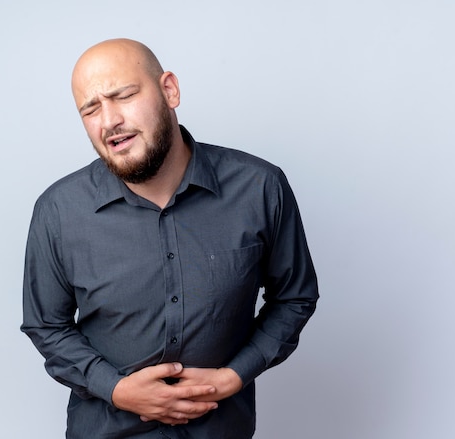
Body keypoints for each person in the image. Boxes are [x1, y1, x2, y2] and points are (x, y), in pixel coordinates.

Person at [21, 38, 318, 439]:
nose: (108, 121)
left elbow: (294, 297)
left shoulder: (260, 187)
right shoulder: (58, 210)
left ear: (169, 90)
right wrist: (117, 390)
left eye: (122, 96)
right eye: (91, 109)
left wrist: (235, 376)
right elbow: (46, 325)